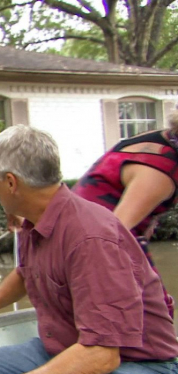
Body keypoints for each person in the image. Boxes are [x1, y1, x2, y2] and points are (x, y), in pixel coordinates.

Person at [0, 124, 178, 374]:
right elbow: (27, 272)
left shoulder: (91, 238)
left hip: (138, 364)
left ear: (10, 182)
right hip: (64, 346)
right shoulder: (38, 219)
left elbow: (102, 355)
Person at [72, 108, 178, 318]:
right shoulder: (161, 171)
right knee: (158, 312)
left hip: (76, 226)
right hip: (91, 240)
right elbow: (111, 233)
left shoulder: (159, 141)